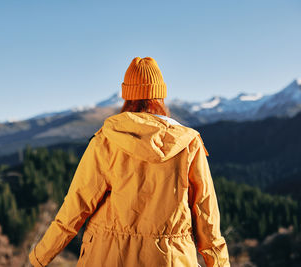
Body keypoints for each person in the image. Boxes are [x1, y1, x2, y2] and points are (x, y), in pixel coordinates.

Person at [29, 57, 230, 267]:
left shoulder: (105, 140)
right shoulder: (188, 143)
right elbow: (207, 216)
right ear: (160, 96)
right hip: (170, 259)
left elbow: (75, 207)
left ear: (127, 96)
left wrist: (39, 258)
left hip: (107, 257)